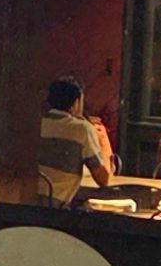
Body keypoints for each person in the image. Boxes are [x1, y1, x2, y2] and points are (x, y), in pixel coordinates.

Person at [32, 76, 115, 204]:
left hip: (26, 204)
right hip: (56, 208)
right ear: (76, 103)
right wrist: (103, 140)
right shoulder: (82, 129)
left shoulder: (35, 123)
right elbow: (103, 179)